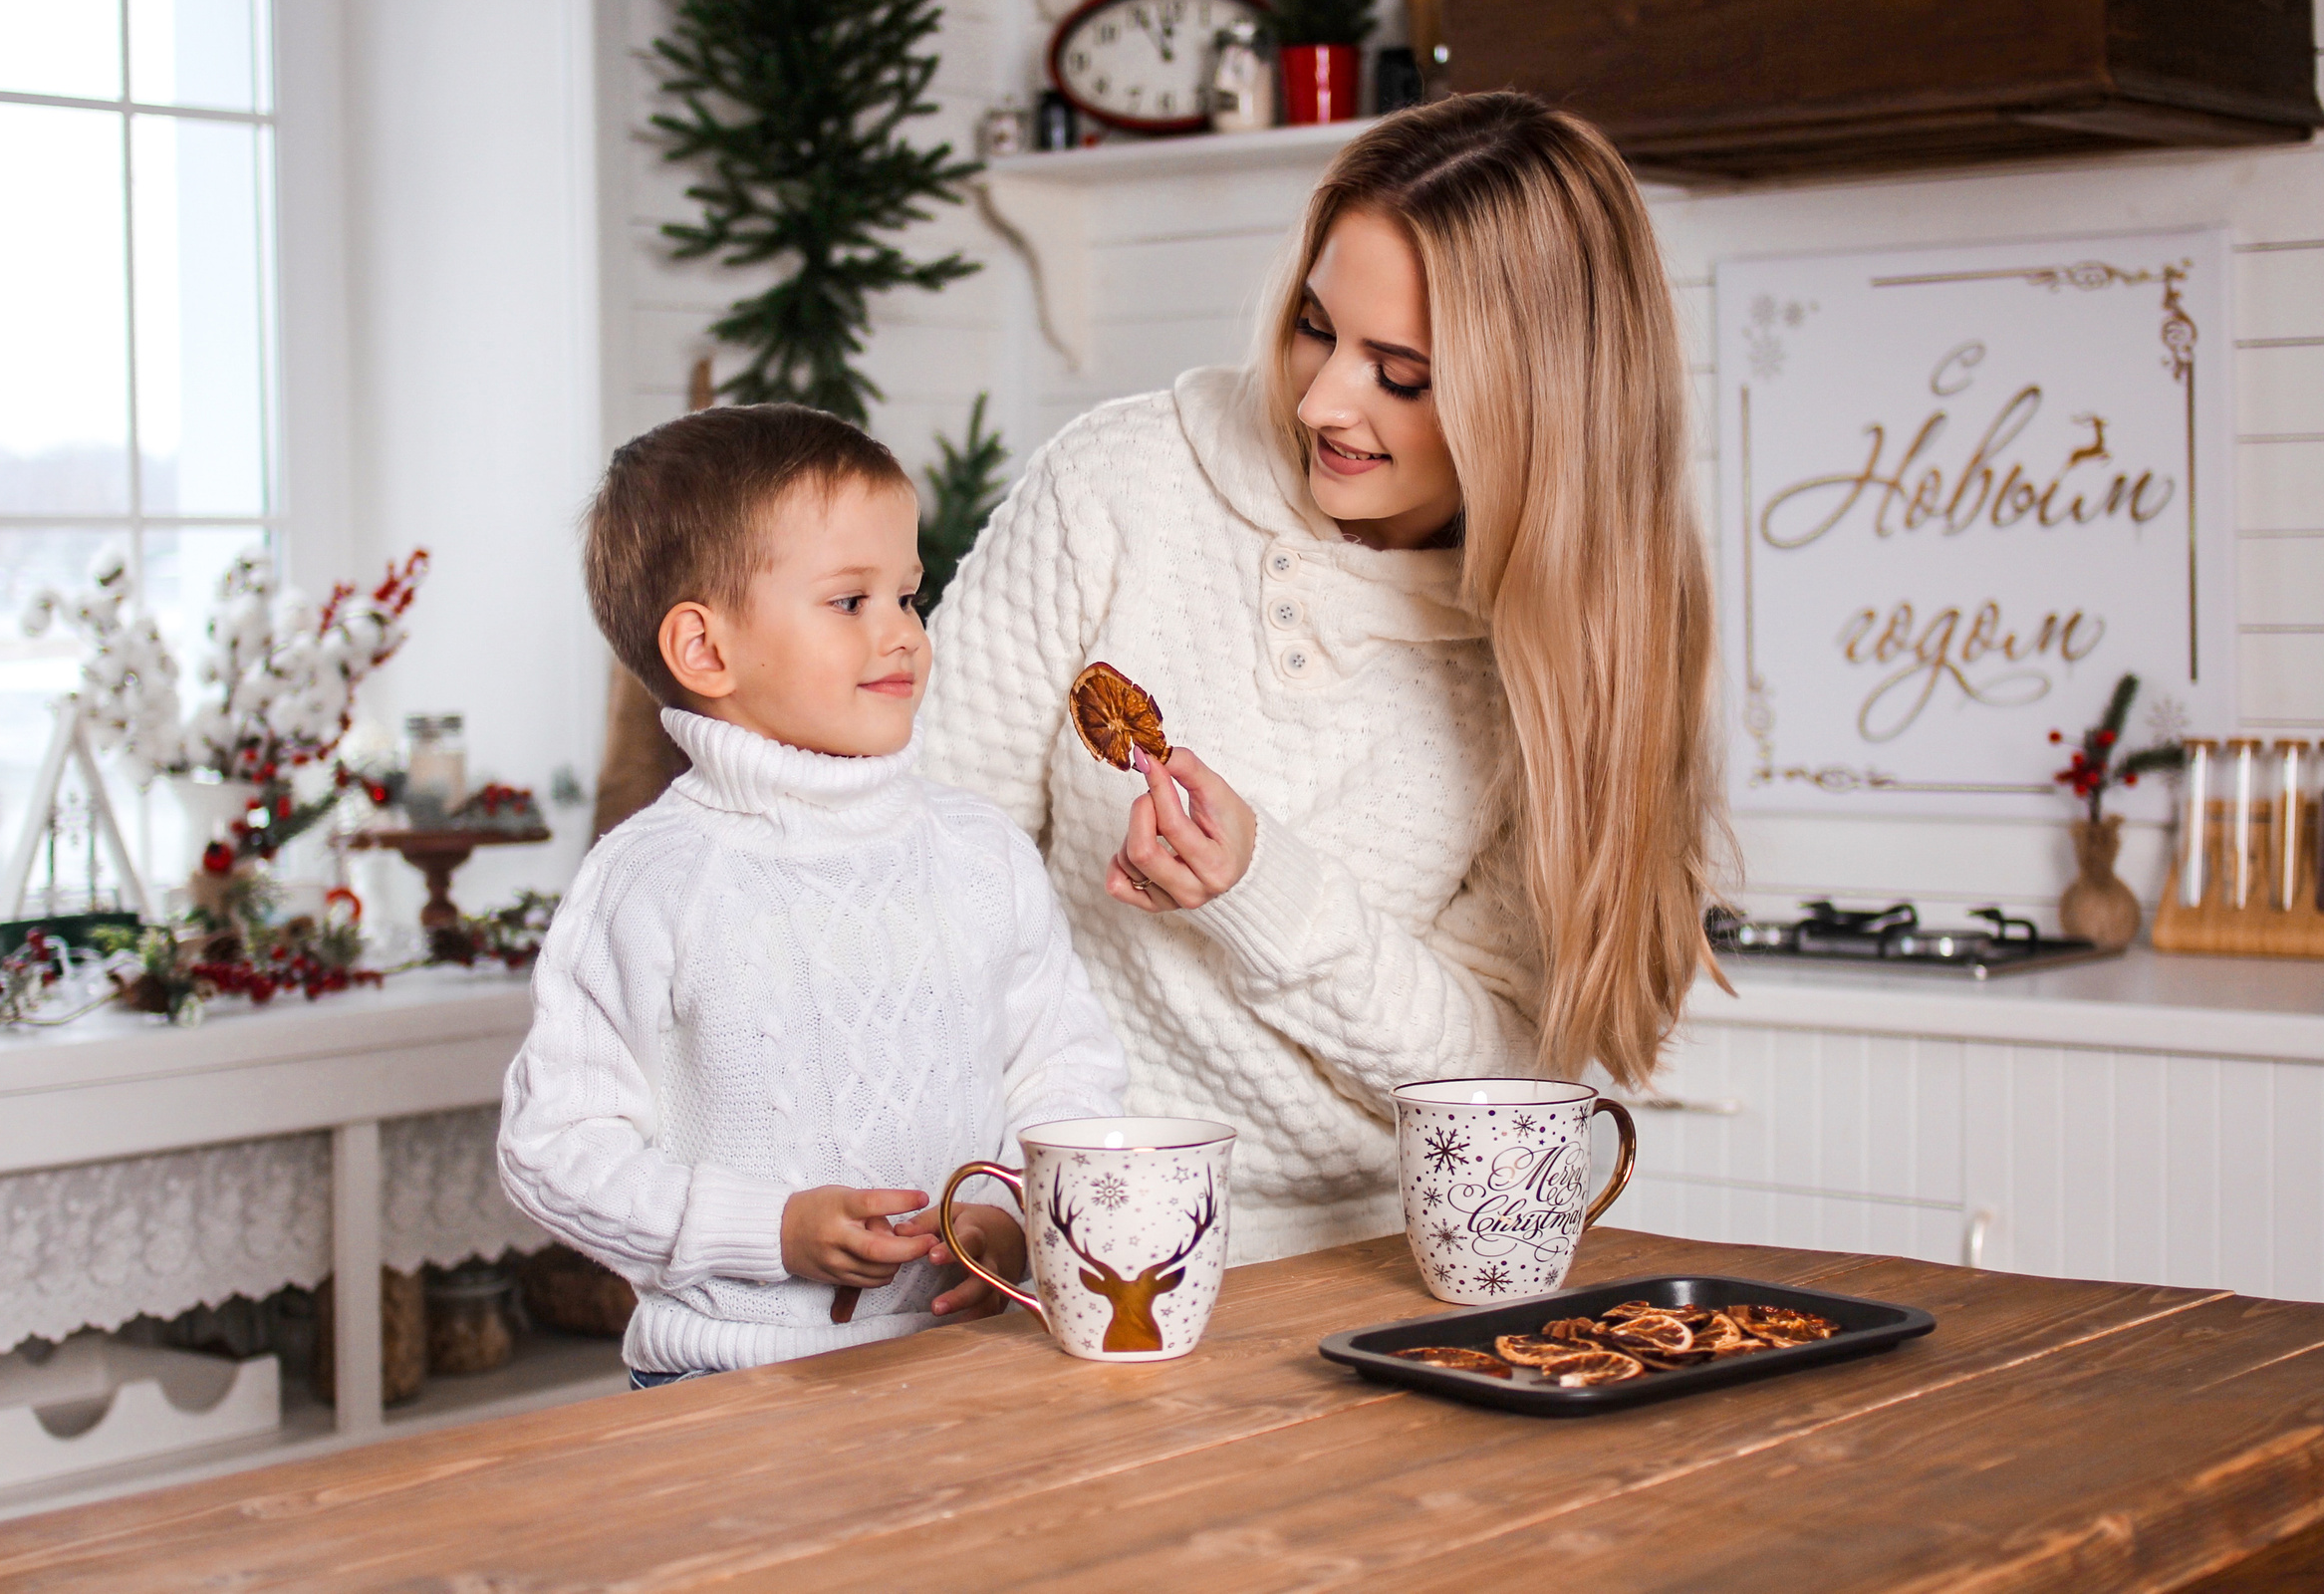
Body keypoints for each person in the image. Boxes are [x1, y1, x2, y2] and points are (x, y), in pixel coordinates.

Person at [923, 92, 1723, 1264]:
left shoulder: (1564, 663)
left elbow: (1500, 1075)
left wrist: (1265, 895)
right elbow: (926, 872)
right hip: (1053, 1227)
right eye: (1314, 326)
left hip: (1374, 1266)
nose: (1318, 401)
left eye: (1400, 373)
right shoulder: (1121, 484)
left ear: (1539, 407)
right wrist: (986, 1176)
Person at [500, 404, 1128, 1385]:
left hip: (969, 1371)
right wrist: (771, 1230)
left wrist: (1014, 1220)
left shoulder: (982, 853)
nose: (903, 635)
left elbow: (1064, 1073)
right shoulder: (649, 881)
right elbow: (553, 1149)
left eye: (908, 597)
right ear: (705, 650)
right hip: (730, 1388)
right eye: (850, 601)